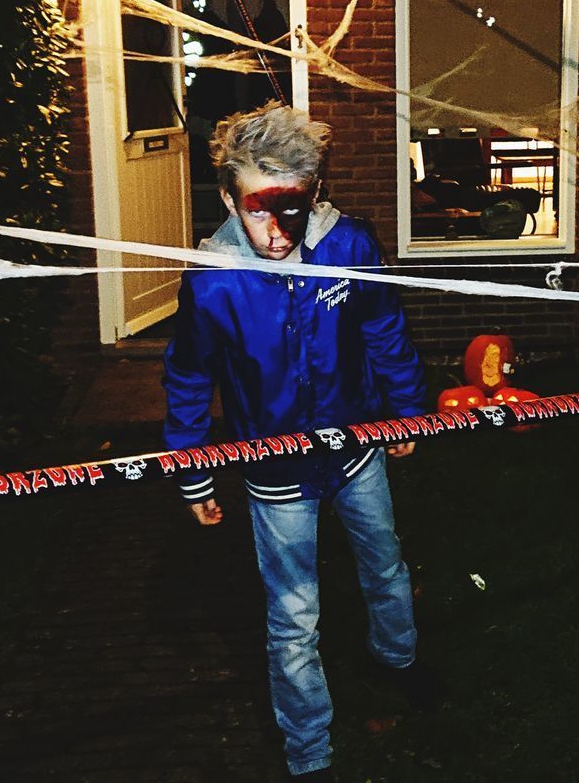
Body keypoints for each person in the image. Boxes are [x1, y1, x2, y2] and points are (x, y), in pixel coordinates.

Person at [162, 102, 431, 781]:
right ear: (228, 197)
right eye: (259, 208)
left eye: (295, 207)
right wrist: (194, 471)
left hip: (358, 450)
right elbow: (189, 375)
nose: (279, 232)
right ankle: (310, 750)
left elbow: (382, 330)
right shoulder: (213, 281)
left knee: (386, 564)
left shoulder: (349, 247)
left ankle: (396, 661)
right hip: (275, 473)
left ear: (315, 193)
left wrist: (405, 409)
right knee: (293, 617)